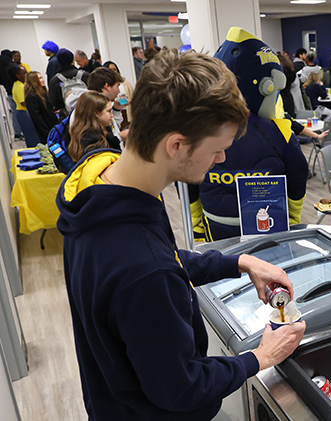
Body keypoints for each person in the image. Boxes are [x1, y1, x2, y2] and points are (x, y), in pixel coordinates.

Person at [57, 48, 305, 420]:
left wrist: (238, 262)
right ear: (176, 145)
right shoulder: (143, 269)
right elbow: (181, 387)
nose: (221, 160)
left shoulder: (101, 185)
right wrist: (260, 357)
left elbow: (165, 258)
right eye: (217, 150)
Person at [197, 28, 309, 242]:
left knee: (221, 272)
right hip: (270, 224)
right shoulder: (279, 132)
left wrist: (196, 228)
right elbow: (298, 175)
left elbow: (187, 183)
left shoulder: (199, 130)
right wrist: (293, 219)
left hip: (215, 224)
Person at [67, 91, 120, 162]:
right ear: (96, 113)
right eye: (109, 111)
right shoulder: (92, 142)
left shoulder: (101, 130)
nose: (112, 115)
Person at [48, 48, 90, 115]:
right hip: (89, 113)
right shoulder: (85, 75)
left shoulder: (54, 81)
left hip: (68, 117)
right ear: (72, 60)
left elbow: (54, 103)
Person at [9, 66, 41, 147]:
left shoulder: (19, 85)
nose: (26, 75)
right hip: (24, 113)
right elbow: (24, 102)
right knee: (32, 137)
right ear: (17, 75)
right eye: (23, 73)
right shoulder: (19, 87)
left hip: (23, 112)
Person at [23, 70, 59, 142]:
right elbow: (38, 118)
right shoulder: (32, 97)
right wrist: (48, 134)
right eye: (39, 78)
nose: (43, 80)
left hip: (52, 128)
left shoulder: (43, 93)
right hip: (47, 131)